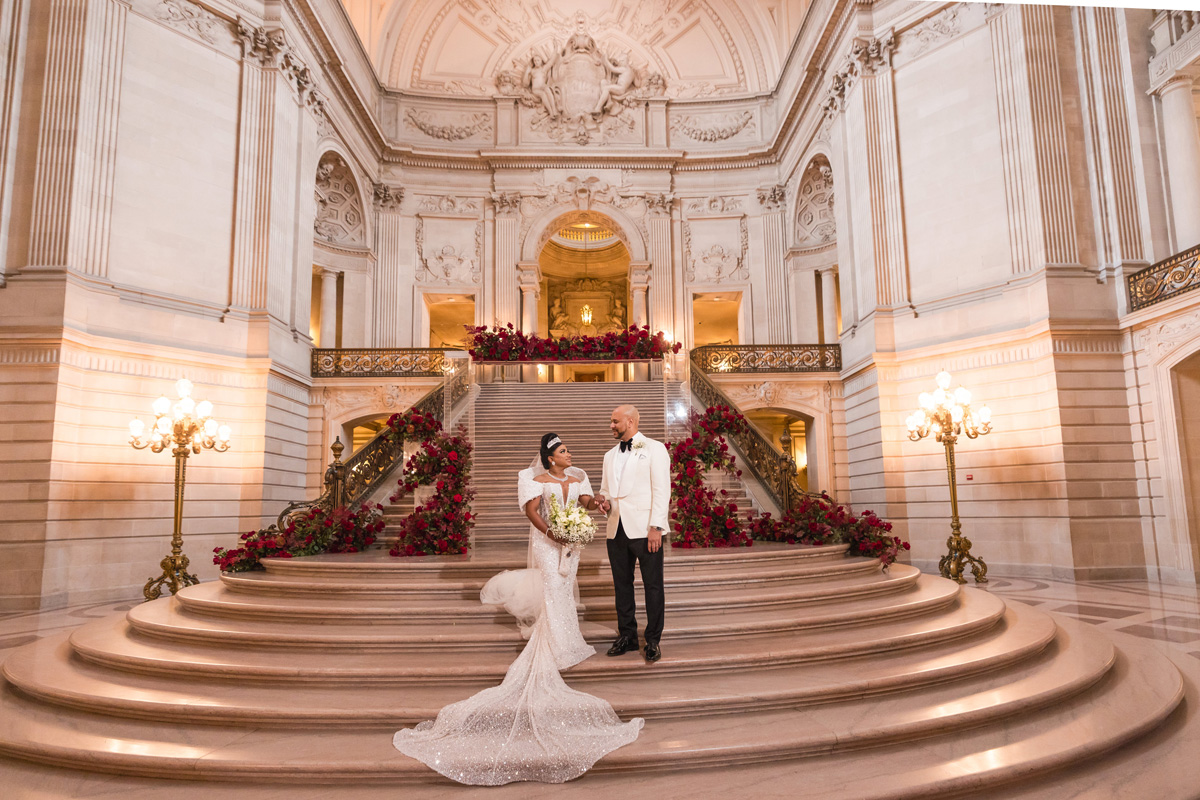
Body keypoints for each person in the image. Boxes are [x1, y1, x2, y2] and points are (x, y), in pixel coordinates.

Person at [393, 432, 643, 785]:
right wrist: (553, 534)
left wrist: (597, 505)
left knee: (565, 587)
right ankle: (555, 643)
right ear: (550, 457)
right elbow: (531, 512)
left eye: (568, 449)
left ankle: (566, 638)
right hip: (548, 541)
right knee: (553, 588)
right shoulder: (532, 479)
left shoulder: (580, 476)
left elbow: (586, 501)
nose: (570, 454)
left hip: (573, 541)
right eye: (563, 451)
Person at [596, 405, 670, 663]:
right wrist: (604, 502)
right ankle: (627, 636)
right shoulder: (609, 455)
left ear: (630, 421)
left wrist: (656, 527)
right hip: (616, 528)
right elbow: (606, 490)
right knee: (622, 586)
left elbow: (662, 490)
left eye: (615, 421)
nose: (611, 425)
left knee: (653, 586)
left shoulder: (654, 448)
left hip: (645, 529)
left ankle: (652, 640)